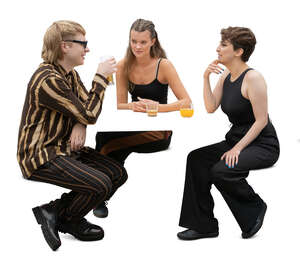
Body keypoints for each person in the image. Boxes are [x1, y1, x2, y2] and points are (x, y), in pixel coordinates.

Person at [17, 20, 127, 251]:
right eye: (83, 43)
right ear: (64, 46)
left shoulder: (69, 75)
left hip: (64, 147)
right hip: (40, 155)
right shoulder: (48, 78)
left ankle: (55, 211)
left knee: (117, 173)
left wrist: (82, 123)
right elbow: (90, 112)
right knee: (101, 184)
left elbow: (85, 110)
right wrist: (101, 77)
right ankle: (70, 220)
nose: (86, 48)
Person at [177, 26, 280, 240]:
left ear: (239, 51)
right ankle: (204, 226)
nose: (217, 49)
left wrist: (237, 148)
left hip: (262, 144)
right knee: (196, 159)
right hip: (236, 139)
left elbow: (261, 121)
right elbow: (210, 106)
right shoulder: (226, 75)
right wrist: (205, 77)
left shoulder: (253, 78)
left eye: (223, 45)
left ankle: (255, 208)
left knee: (221, 170)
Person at [93, 18, 191, 218]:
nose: (137, 46)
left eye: (143, 42)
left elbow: (186, 102)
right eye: (133, 41)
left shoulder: (164, 65)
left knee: (109, 145)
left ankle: (97, 196)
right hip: (132, 128)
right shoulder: (123, 66)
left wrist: (158, 108)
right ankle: (97, 192)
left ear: (153, 41)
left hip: (159, 134)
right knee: (105, 137)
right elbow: (120, 105)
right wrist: (133, 106)